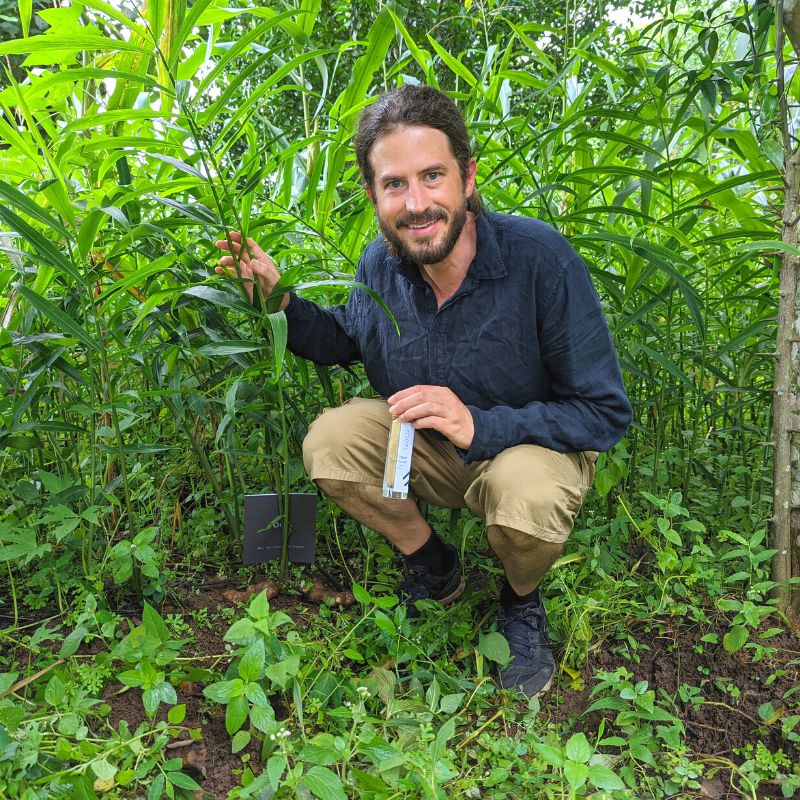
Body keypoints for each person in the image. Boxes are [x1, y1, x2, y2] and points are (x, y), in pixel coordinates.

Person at [215, 84, 632, 696]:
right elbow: (344, 340)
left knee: (526, 495)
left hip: (528, 451)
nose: (416, 203)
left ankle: (520, 602)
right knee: (331, 441)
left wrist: (482, 426)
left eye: (432, 176)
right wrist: (279, 303)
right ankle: (433, 565)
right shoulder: (380, 265)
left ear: (467, 178)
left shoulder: (540, 258)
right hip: (430, 450)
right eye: (395, 184)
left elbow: (603, 412)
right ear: (373, 195)